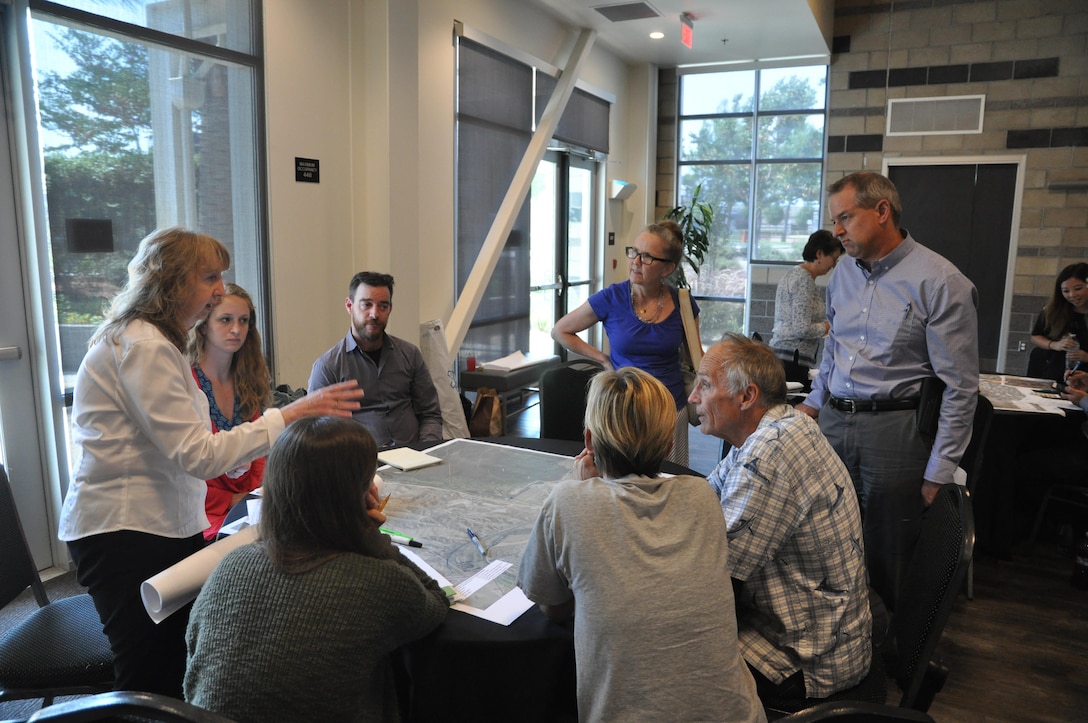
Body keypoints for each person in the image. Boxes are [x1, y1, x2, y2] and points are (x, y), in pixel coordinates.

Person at [58, 227, 363, 698]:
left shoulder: (158, 342)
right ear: (173, 281)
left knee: (173, 657)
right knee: (148, 674)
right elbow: (199, 454)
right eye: (209, 276)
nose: (220, 289)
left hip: (154, 524)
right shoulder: (146, 348)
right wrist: (290, 414)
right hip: (125, 532)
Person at [517, 367, 764, 723]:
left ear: (589, 441)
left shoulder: (569, 502)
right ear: (667, 446)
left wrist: (585, 489)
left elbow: (552, 607)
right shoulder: (701, 496)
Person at [185, 416, 449, 722]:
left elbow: (195, 663)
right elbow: (435, 601)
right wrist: (373, 540)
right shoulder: (378, 582)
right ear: (360, 496)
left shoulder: (230, 566)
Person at [797, 172, 979, 613]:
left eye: (845, 218)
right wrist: (813, 402)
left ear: (882, 212)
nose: (836, 230)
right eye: (834, 220)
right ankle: (837, 639)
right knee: (825, 537)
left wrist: (939, 471)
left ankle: (894, 654)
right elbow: (835, 347)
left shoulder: (940, 281)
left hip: (895, 432)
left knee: (889, 549)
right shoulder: (842, 273)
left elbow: (959, 388)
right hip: (834, 422)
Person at [690, 335, 872, 708]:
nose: (693, 397)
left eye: (705, 386)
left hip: (808, 661)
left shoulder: (770, 452)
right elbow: (703, 495)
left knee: (662, 655)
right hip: (821, 633)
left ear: (746, 397)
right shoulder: (777, 428)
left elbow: (715, 578)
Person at [550, 221, 697, 466]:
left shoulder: (682, 302)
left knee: (669, 481)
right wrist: (602, 359)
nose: (636, 262)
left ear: (667, 268)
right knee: (621, 480)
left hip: (669, 409)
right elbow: (560, 331)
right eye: (634, 252)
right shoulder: (611, 298)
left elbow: (695, 357)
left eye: (647, 257)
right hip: (623, 408)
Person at [309, 271, 443, 449]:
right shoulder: (328, 367)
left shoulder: (410, 355)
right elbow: (316, 431)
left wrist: (428, 450)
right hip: (359, 464)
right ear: (349, 306)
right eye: (366, 305)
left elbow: (430, 414)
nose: (375, 313)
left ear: (390, 309)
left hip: (415, 457)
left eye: (383, 306)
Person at [188, 283, 269, 540]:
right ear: (203, 324)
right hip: (202, 510)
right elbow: (188, 462)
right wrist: (236, 499)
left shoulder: (248, 379)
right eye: (225, 320)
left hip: (249, 502)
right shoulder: (186, 382)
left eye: (243, 321)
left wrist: (252, 495)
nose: (236, 329)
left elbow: (258, 449)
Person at [768, 229, 843, 387]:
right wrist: (829, 326)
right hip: (791, 359)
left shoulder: (795, 274)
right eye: (833, 259)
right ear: (820, 254)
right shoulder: (804, 280)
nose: (834, 265)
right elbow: (801, 328)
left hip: (785, 355)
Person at [1027, 262, 1088, 382]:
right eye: (1066, 291)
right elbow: (1035, 336)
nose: (1072, 295)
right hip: (1051, 371)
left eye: (1078, 289)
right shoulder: (1053, 309)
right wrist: (1055, 345)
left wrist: (1086, 357)